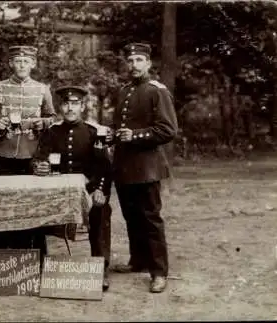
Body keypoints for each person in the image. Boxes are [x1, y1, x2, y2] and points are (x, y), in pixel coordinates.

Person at [111, 42, 178, 293]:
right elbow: (121, 126)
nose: (134, 65)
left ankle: (159, 271)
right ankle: (138, 260)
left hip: (147, 167)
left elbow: (168, 130)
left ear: (149, 63)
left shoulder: (156, 91)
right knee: (131, 217)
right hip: (125, 166)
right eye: (130, 61)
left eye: (139, 60)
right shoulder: (125, 90)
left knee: (150, 218)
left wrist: (136, 135)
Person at [32, 86, 112, 291]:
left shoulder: (94, 132)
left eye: (75, 104)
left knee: (101, 210)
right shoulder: (51, 132)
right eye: (66, 104)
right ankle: (40, 264)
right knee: (34, 210)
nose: (70, 108)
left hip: (87, 192)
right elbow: (39, 157)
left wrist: (100, 190)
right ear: (60, 106)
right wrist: (39, 166)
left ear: (82, 106)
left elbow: (104, 167)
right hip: (56, 193)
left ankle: (100, 268)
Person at [0, 45, 56, 255]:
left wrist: (43, 122)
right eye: (17, 61)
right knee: (2, 205)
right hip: (2, 154)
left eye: (26, 61)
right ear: (11, 63)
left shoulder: (42, 89)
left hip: (31, 155)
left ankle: (33, 254)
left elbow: (53, 118)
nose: (22, 65)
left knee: (32, 207)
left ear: (33, 64)